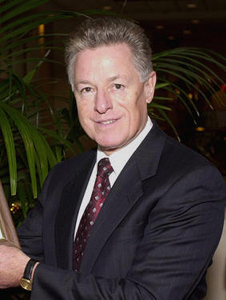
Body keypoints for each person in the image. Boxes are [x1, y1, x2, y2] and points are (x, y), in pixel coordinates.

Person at [0, 16, 225, 300]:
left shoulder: (191, 181)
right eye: (87, 89)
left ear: (149, 87)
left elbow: (146, 296)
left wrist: (30, 272)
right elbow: (13, 256)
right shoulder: (63, 176)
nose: (101, 105)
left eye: (116, 86)